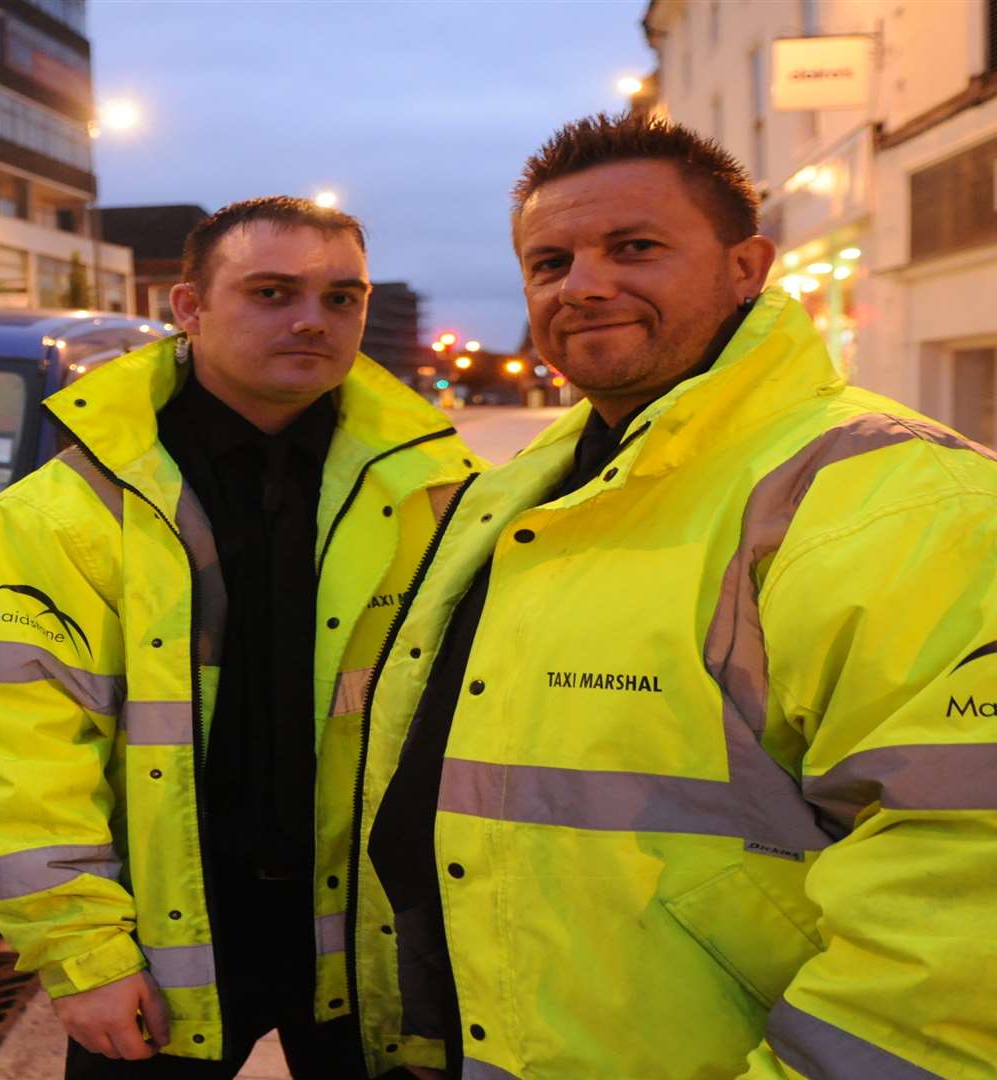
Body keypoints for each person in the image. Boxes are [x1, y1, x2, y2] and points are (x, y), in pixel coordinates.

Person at [353, 112, 997, 1080]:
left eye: (636, 247)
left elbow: (963, 888)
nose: (585, 283)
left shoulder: (888, 492)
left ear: (749, 267)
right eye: (550, 261)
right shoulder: (522, 487)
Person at [0, 197, 478, 1077]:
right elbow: (16, 757)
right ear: (188, 308)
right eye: (271, 292)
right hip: (165, 940)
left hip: (369, 935)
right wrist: (83, 956)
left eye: (343, 298)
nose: (312, 320)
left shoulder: (442, 494)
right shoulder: (62, 514)